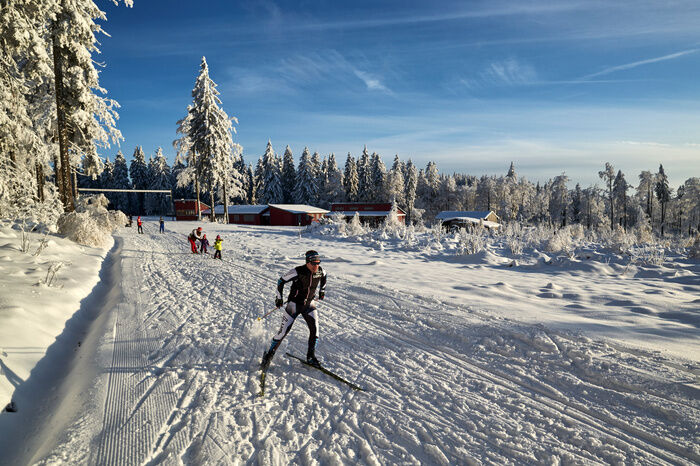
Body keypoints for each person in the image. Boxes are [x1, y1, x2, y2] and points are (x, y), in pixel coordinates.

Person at [261, 250, 327, 370]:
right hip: (294, 305)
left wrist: (322, 291)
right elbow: (281, 281)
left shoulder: (320, 271)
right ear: (307, 262)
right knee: (283, 332)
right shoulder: (297, 271)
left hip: (309, 304)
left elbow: (324, 277)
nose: (316, 266)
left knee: (315, 330)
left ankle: (311, 357)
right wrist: (279, 298)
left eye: (318, 263)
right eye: (313, 263)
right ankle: (268, 355)